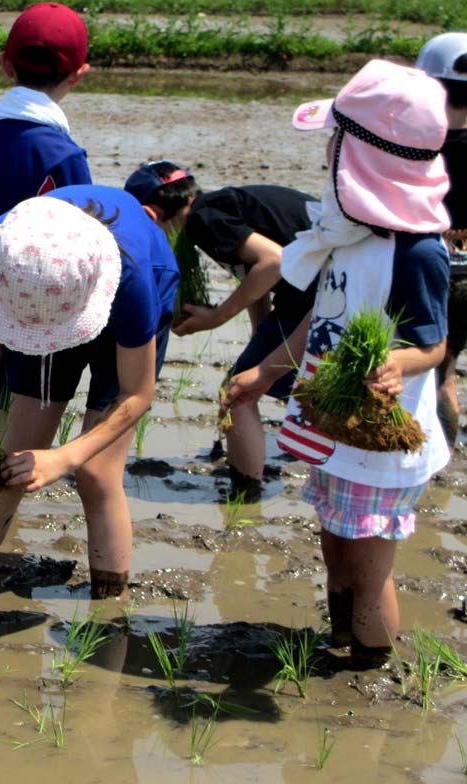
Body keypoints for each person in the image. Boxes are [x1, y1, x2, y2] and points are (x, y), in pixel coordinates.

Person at [223, 60, 451, 669]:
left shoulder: (416, 250)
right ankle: (339, 639)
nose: (328, 149)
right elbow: (316, 321)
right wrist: (268, 370)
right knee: (334, 543)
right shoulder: (348, 232)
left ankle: (369, 666)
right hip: (334, 427)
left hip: (379, 440)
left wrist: (402, 361)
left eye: (337, 139)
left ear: (366, 158)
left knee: (368, 565)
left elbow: (434, 344)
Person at [0, 185, 178, 600]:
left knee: (97, 473)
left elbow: (137, 394)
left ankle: (108, 608)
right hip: (44, 296)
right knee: (10, 459)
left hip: (117, 296)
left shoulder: (135, 282)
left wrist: (64, 458)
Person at [124, 162, 317, 500]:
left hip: (317, 294)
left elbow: (273, 261)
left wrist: (217, 317)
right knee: (266, 380)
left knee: (237, 393)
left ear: (153, 214)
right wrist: (260, 346)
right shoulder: (219, 206)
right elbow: (255, 277)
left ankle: (246, 497)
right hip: (333, 287)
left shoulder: (202, 219)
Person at [0, 1, 92, 330]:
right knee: (28, 384)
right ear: (79, 74)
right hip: (37, 295)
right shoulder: (65, 157)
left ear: (5, 64)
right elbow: (81, 242)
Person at [416, 32, 467, 444]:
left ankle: (431, 457)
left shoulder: (413, 143)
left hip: (427, 265)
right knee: (447, 369)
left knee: (425, 370)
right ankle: (446, 452)